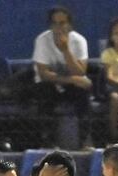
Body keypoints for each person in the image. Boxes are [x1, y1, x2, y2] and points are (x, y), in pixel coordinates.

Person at [32, 6, 93, 148]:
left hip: (71, 85)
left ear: (70, 25)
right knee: (44, 91)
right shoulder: (42, 40)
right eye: (55, 23)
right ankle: (48, 142)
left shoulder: (79, 41)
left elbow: (80, 72)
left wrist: (66, 50)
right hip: (49, 84)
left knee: (83, 92)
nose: (59, 27)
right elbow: (43, 73)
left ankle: (85, 140)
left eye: (62, 23)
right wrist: (70, 79)